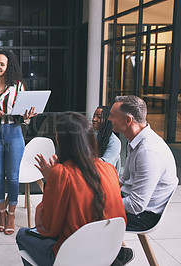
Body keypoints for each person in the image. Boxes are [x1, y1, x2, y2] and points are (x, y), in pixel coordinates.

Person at [15, 112, 128, 266]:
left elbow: (49, 227)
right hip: (108, 250)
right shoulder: (109, 169)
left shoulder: (62, 173)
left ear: (61, 141)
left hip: (74, 256)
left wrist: (51, 183)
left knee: (22, 234)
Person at [0, 50, 37, 235]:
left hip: (14, 133)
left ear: (8, 67)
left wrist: (27, 116)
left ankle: (11, 214)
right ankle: (1, 213)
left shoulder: (18, 86)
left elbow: (23, 115)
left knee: (12, 176)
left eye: (2, 64)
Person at [109, 95, 178, 231]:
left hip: (143, 216)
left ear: (128, 120)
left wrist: (103, 204)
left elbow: (136, 205)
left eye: (112, 115)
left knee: (84, 214)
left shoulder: (148, 152)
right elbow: (124, 181)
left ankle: (116, 252)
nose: (109, 119)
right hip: (132, 201)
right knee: (84, 200)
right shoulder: (134, 140)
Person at [92, 105, 121, 171]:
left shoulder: (114, 141)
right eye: (94, 116)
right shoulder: (92, 136)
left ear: (108, 119)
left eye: (99, 117)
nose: (94, 119)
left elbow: (104, 165)